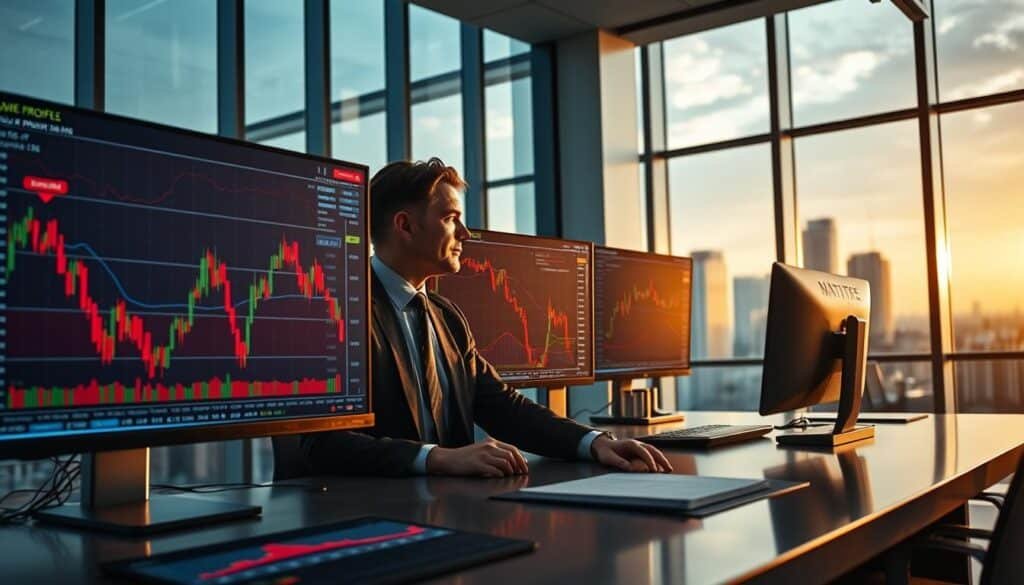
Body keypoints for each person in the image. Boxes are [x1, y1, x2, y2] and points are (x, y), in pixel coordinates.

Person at [301, 158, 672, 477]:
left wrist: (593, 443)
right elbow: (321, 443)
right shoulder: (336, 313)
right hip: (365, 518)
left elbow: (502, 405)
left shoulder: (446, 317)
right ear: (405, 226)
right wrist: (435, 460)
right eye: (451, 219)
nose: (465, 233)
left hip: (449, 508)